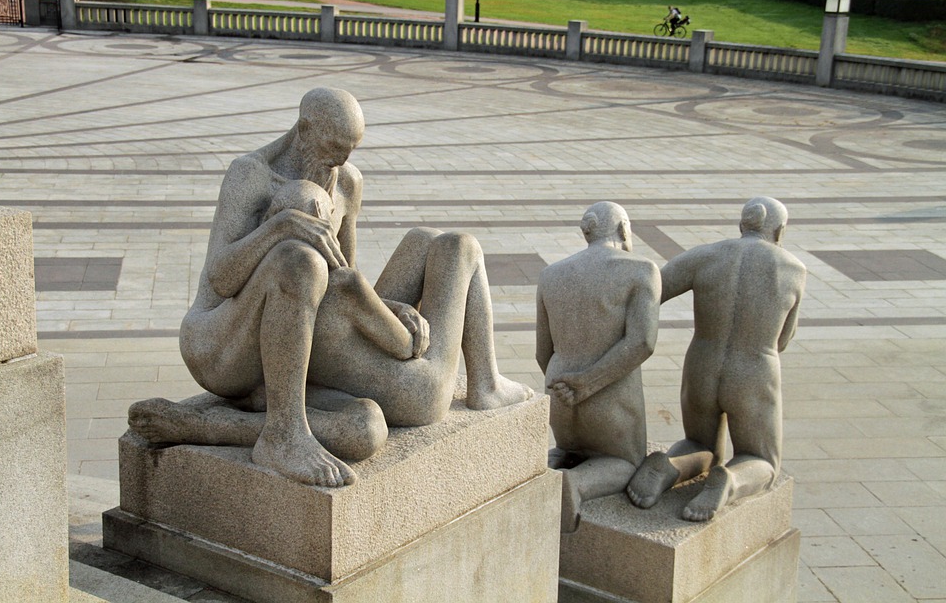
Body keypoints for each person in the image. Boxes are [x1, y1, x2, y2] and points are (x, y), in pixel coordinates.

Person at [130, 87, 531, 488]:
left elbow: (345, 277)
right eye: (334, 146)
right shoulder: (251, 175)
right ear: (304, 129)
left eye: (351, 149)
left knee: (427, 240)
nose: (340, 160)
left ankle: (485, 382)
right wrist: (280, 227)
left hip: (318, 328)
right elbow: (220, 278)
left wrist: (390, 305)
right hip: (224, 342)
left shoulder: (345, 181)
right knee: (309, 261)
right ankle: (283, 432)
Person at [626, 197, 806, 522]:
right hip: (754, 370)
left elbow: (651, 291)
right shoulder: (792, 269)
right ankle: (732, 479)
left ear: (741, 225)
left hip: (702, 364)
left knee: (698, 442)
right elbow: (782, 340)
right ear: (779, 232)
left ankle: (669, 466)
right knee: (762, 459)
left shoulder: (706, 256)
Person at [537, 202, 660, 532]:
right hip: (607, 397)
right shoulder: (641, 270)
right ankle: (575, 485)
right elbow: (642, 342)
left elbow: (542, 352)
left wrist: (567, 384)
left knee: (567, 447)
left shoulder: (551, 274)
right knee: (624, 462)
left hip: (558, 390)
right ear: (623, 229)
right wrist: (588, 384)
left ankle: (555, 463)